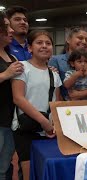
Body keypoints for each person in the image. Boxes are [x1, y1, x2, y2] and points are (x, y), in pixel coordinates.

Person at [11, 30, 62, 180]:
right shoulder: (22, 67)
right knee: (29, 173)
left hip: (47, 131)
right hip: (25, 128)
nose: (44, 46)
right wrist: (43, 121)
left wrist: (53, 126)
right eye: (39, 43)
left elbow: (56, 103)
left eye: (48, 43)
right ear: (30, 48)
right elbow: (18, 98)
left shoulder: (54, 74)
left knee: (43, 172)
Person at [49, 27, 87, 101]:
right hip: (64, 106)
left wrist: (78, 95)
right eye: (80, 38)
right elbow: (53, 86)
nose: (84, 42)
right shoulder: (56, 60)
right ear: (68, 40)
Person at [0, 12, 24, 180]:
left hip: (9, 121)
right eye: (6, 26)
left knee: (5, 165)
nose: (11, 30)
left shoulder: (12, 56)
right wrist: (4, 75)